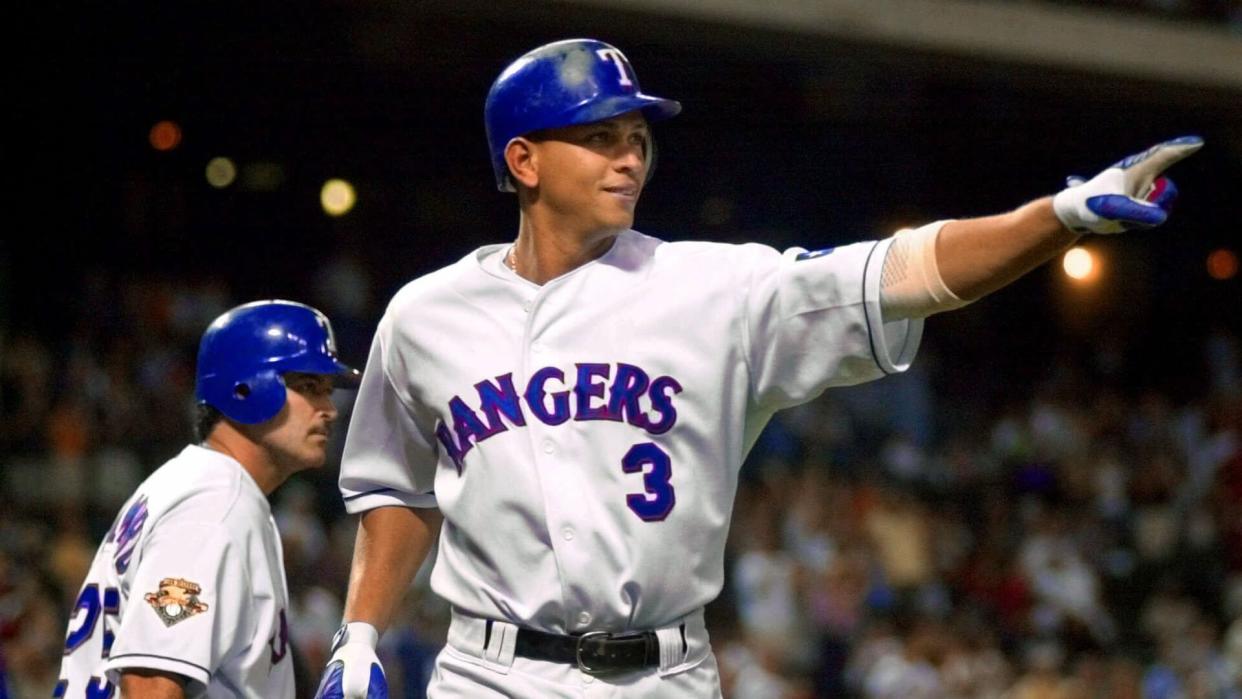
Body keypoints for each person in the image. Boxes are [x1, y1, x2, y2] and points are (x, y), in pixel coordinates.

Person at [314, 38, 1202, 698]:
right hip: (489, 673)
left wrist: (1059, 216)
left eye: (638, 136)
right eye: (600, 136)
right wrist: (359, 635)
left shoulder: (715, 286)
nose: (631, 155)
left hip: (665, 673)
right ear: (524, 160)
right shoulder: (425, 314)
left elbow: (902, 270)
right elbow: (395, 488)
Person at [56, 300, 359, 699]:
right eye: (308, 387)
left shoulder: (204, 487)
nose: (329, 409)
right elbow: (150, 686)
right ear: (245, 387)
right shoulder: (213, 504)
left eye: (327, 390)